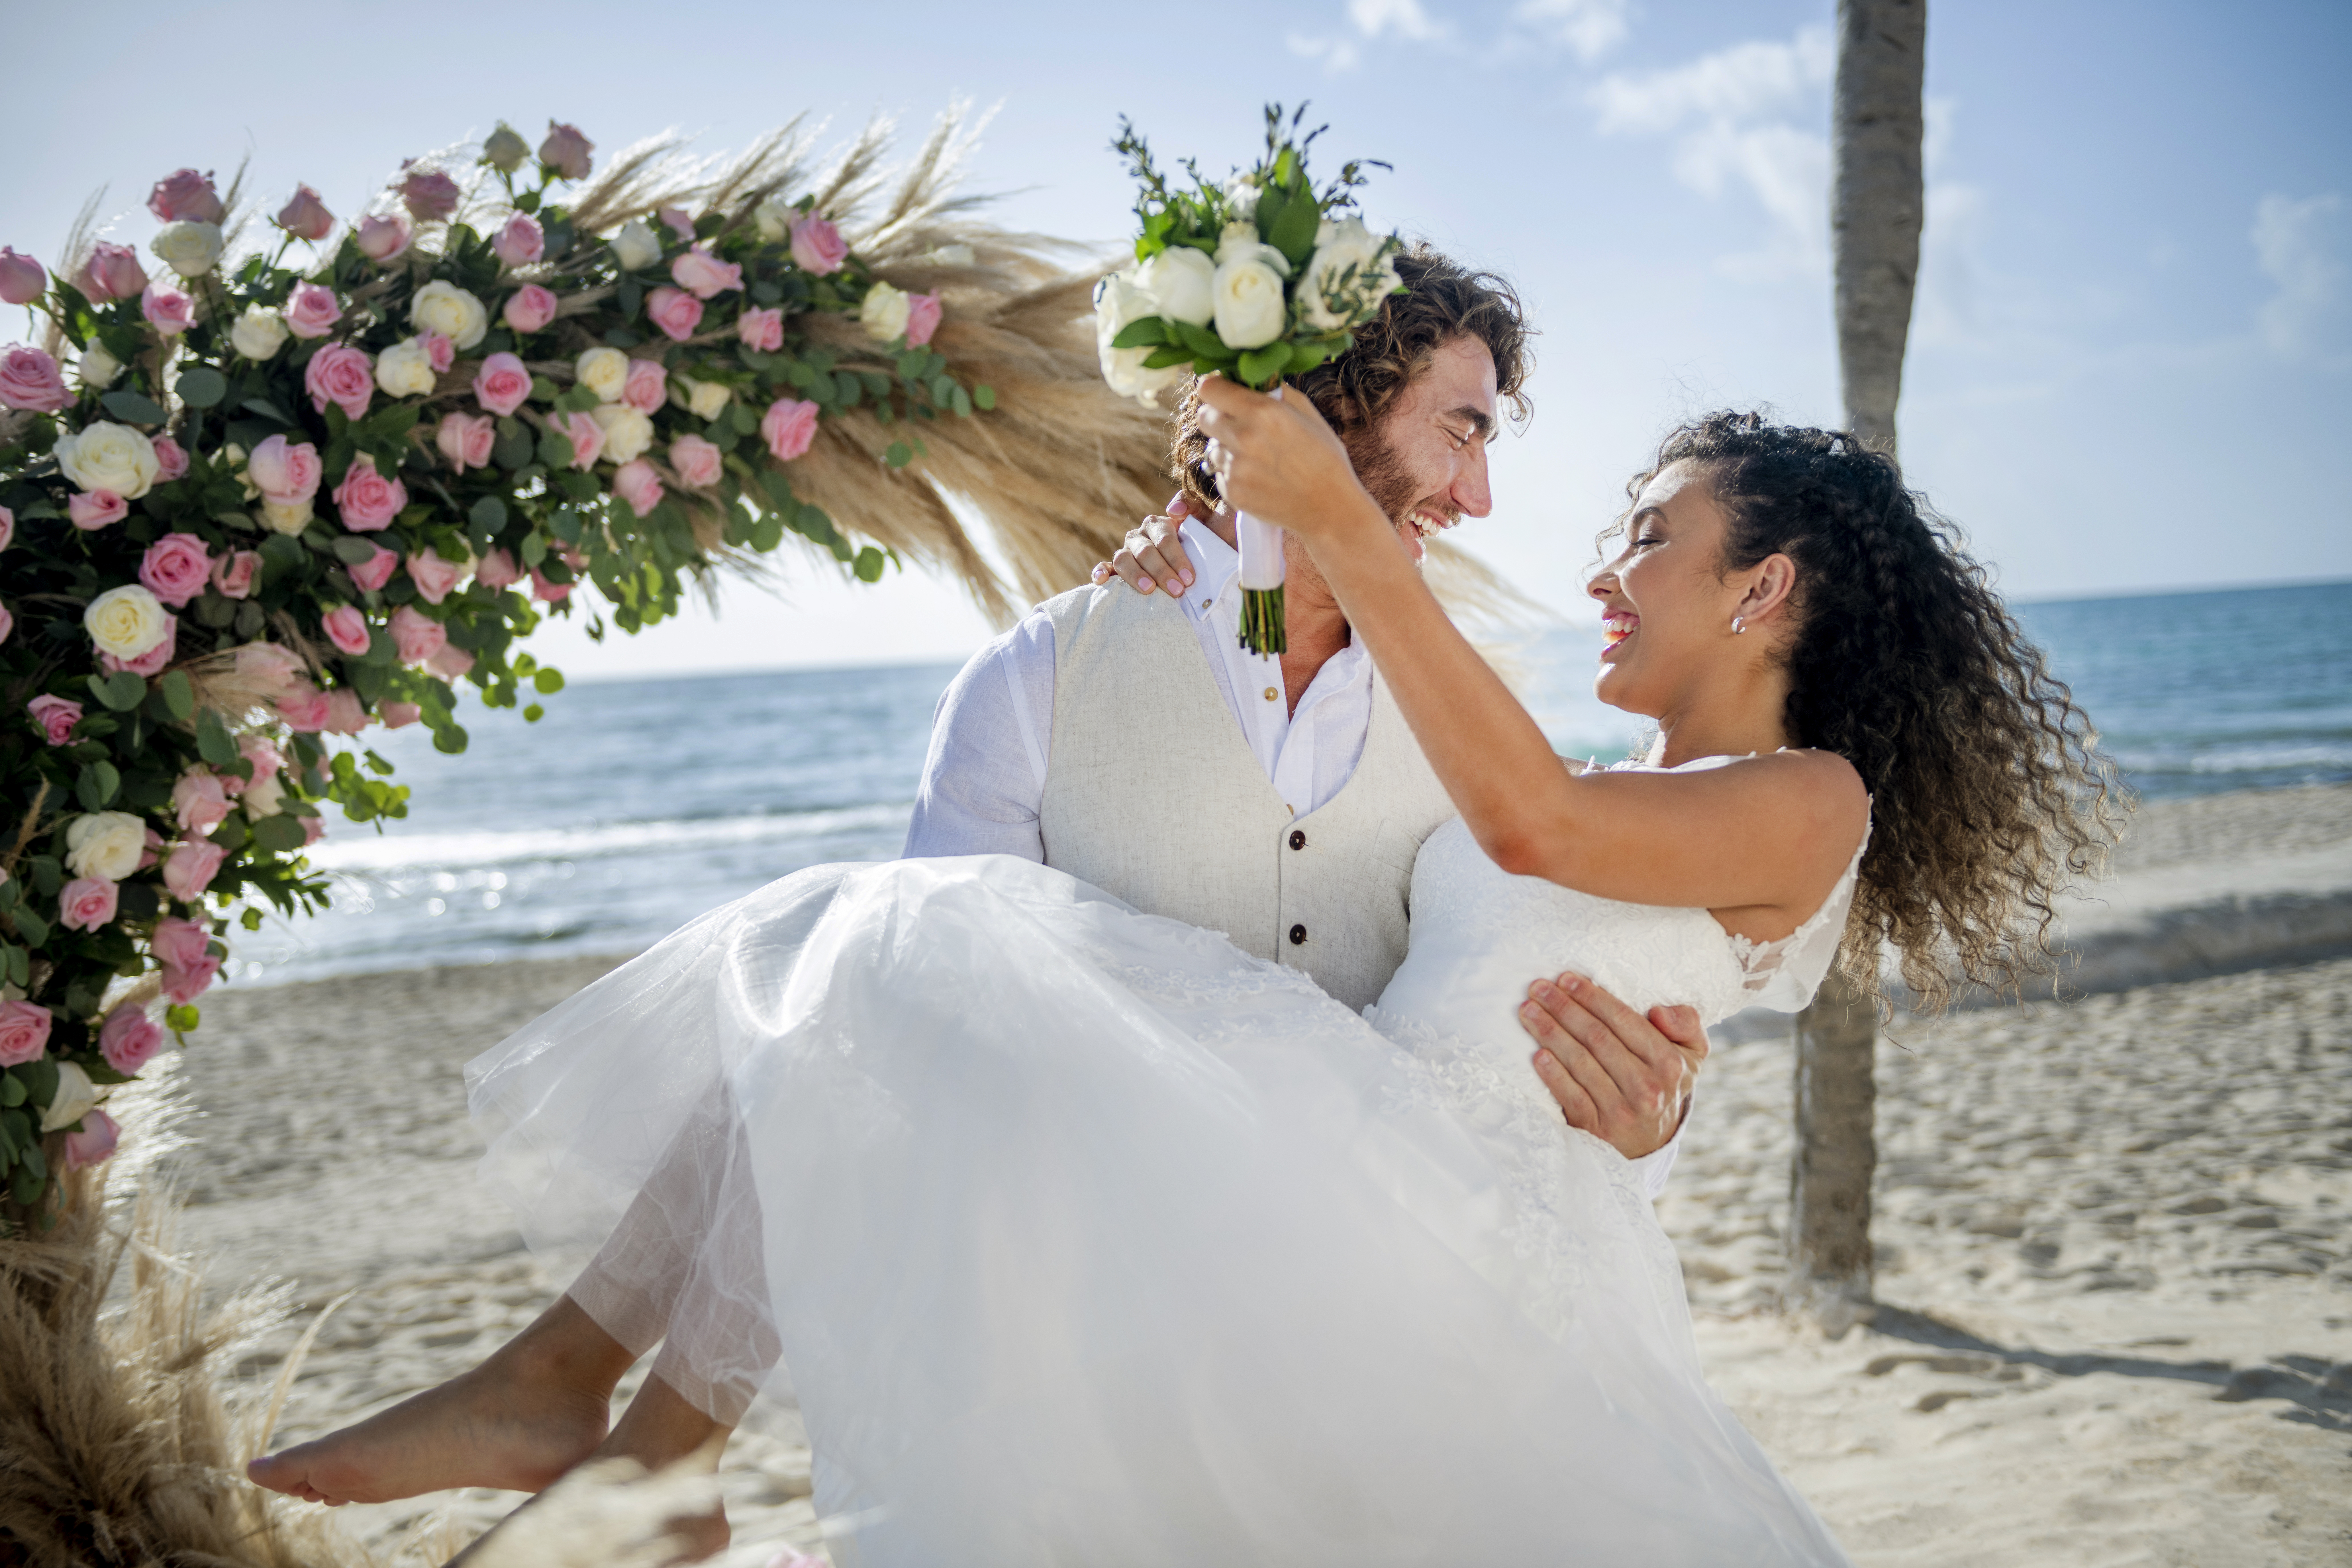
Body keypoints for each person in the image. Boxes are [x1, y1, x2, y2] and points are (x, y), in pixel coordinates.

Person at [246, 248, 1714, 1527]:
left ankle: (603, 1419)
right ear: (1327, 417)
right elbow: (897, 1058)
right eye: (1459, 432)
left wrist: (1647, 1104)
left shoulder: (1476, 717)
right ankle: (610, 1434)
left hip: (1390, 1293)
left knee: (854, 943)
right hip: (1107, 1316)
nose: (1481, 491)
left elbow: (1535, 947)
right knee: (881, 955)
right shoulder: (1042, 676)